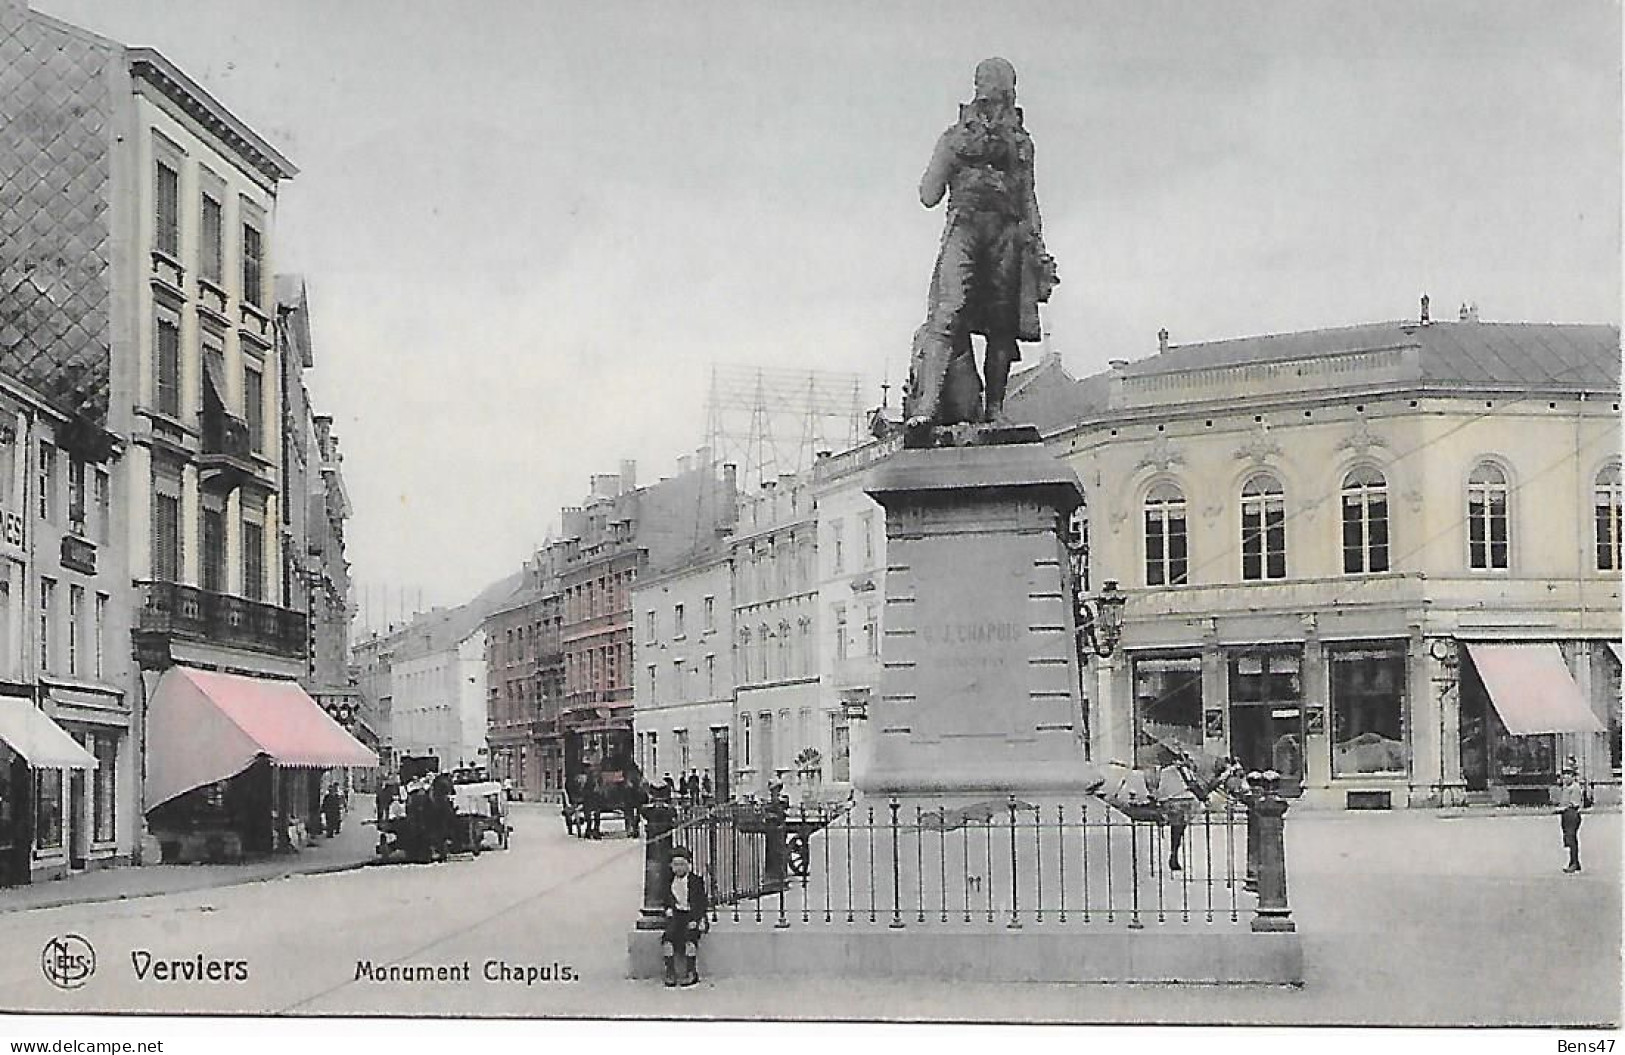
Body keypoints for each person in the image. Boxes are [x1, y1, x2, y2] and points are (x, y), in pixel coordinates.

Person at [906, 57, 1058, 433]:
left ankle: (993, 410)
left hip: (1006, 234)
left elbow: (1028, 198)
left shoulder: (1021, 144)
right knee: (949, 311)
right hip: (966, 227)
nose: (994, 99)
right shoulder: (955, 138)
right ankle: (925, 409)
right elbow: (928, 193)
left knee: (1002, 324)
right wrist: (951, 155)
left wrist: (1038, 249)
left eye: (998, 88)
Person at [661, 847, 709, 987]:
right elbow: (666, 899)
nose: (679, 868)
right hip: (677, 915)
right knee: (668, 938)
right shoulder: (669, 881)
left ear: (689, 864)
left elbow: (701, 903)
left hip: (691, 915)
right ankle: (670, 972)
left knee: (690, 938)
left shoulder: (695, 881)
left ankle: (691, 972)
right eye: (675, 865)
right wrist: (669, 908)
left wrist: (696, 919)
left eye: (682, 864)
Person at [1557, 758, 1589, 873]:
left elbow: (1573, 804)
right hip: (1566, 814)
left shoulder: (1575, 787)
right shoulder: (1566, 787)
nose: (1565, 778)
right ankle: (1574, 862)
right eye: (1564, 775)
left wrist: (1561, 809)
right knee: (1568, 838)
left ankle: (1574, 863)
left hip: (1572, 814)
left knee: (1571, 838)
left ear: (1572, 776)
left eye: (1567, 775)